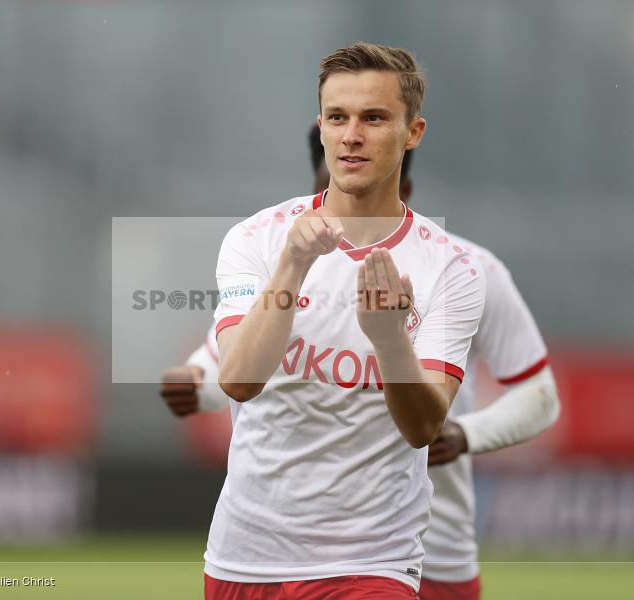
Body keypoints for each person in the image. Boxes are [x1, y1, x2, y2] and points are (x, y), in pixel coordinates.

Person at [163, 113, 559, 598]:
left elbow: (540, 396)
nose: (330, 218)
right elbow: (225, 365)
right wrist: (194, 386)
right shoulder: (276, 250)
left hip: (423, 551)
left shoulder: (466, 271)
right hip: (270, 551)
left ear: (402, 187)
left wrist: (463, 433)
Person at [202, 42, 486, 599]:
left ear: (413, 133)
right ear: (322, 127)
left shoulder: (450, 267)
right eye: (338, 117)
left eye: (374, 118)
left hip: (371, 561)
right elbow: (238, 380)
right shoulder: (257, 240)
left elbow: (423, 427)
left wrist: (388, 339)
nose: (352, 135)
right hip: (244, 556)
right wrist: (294, 264)